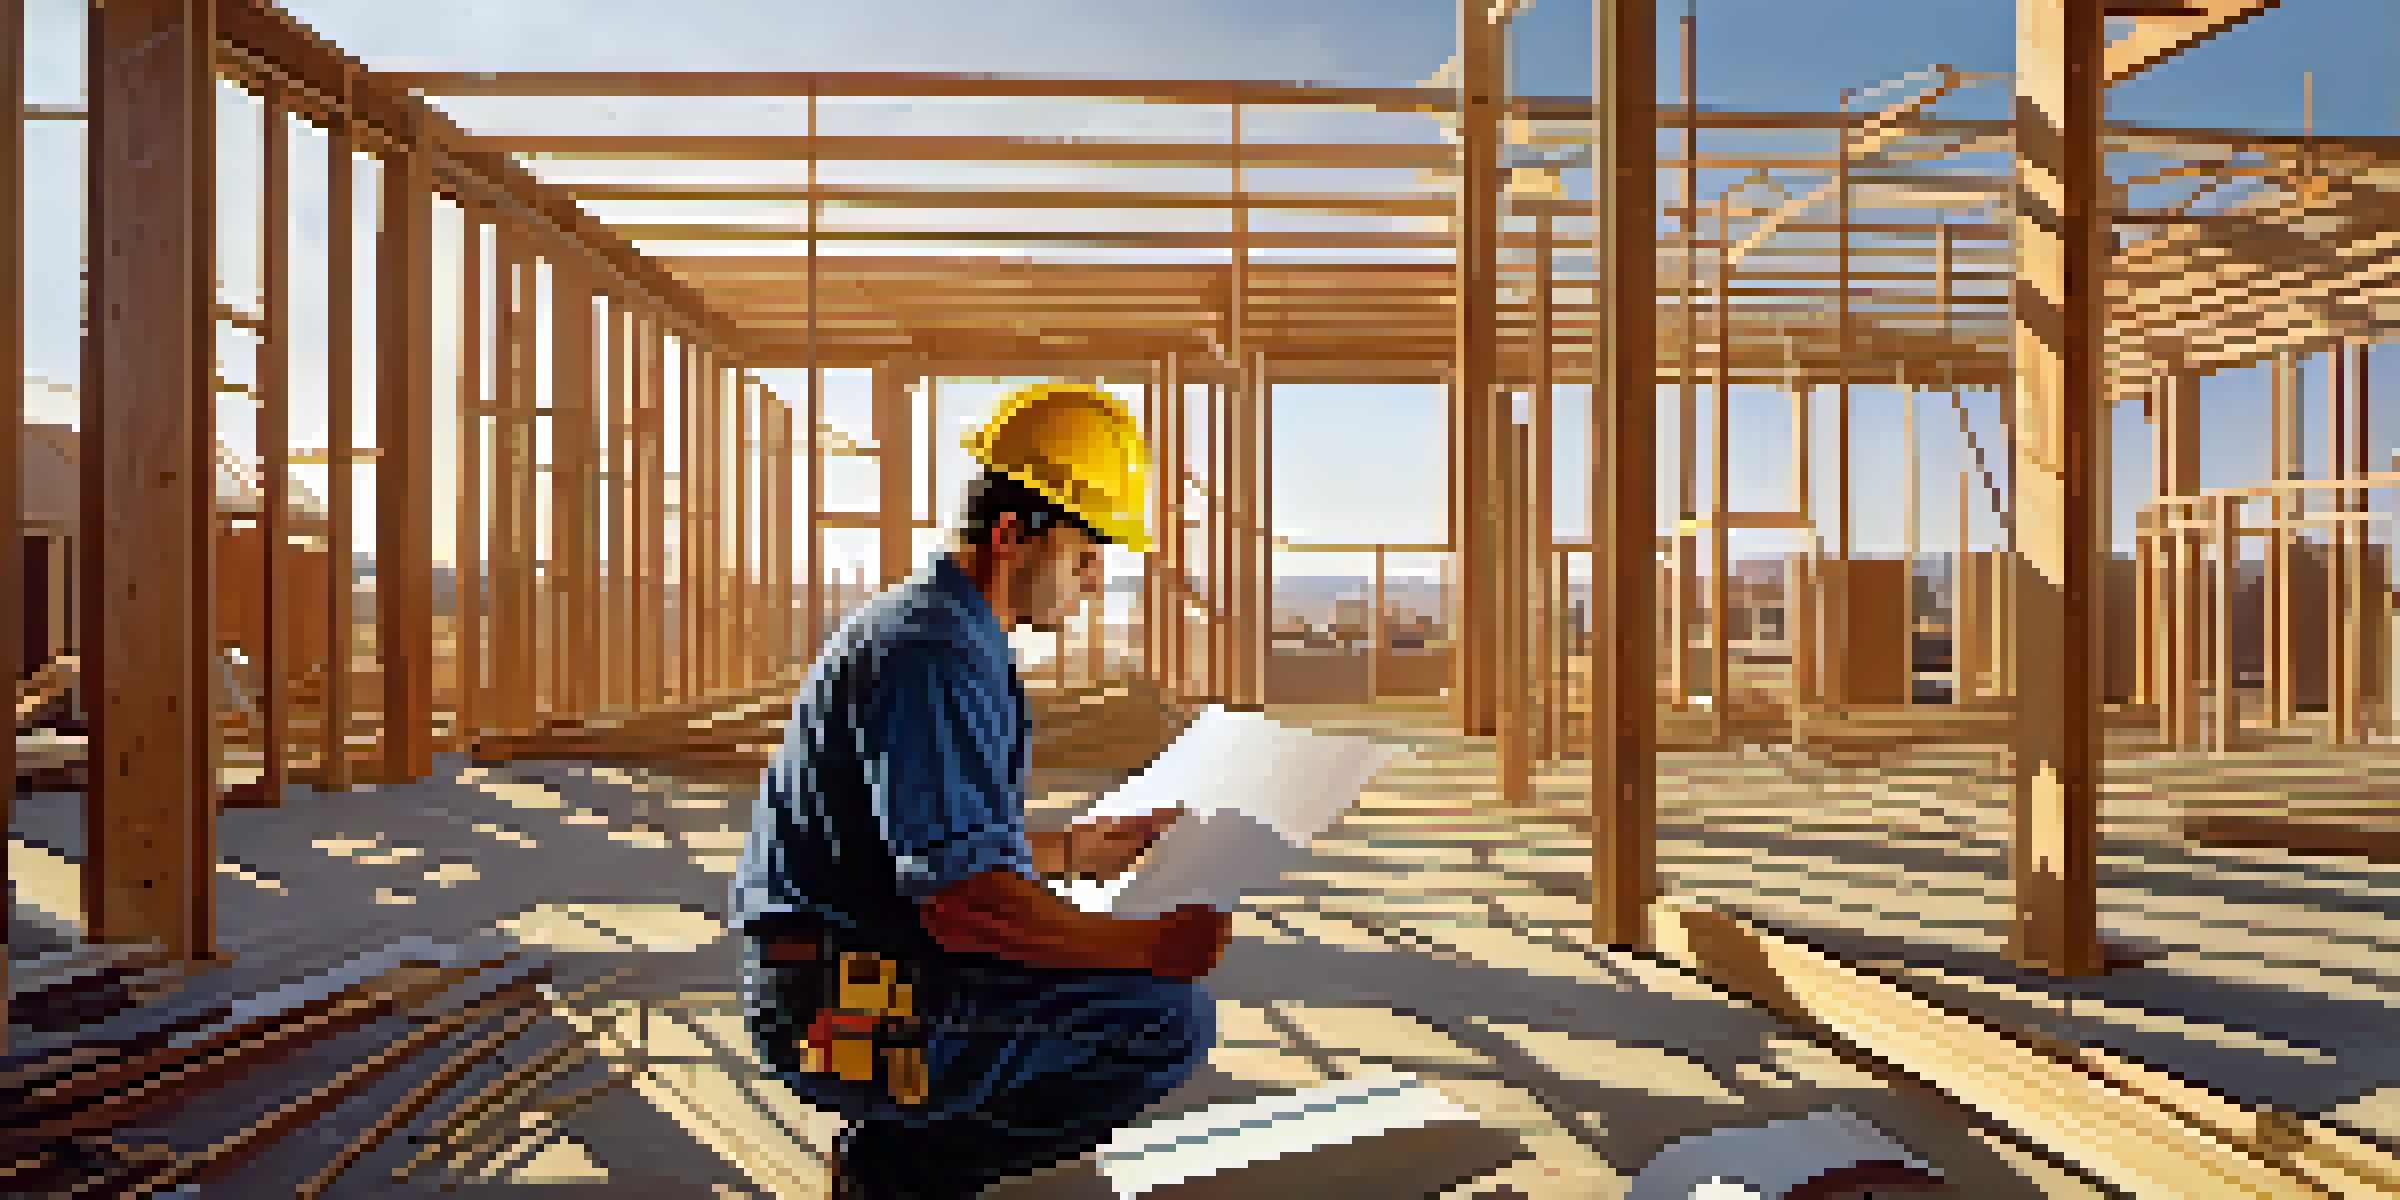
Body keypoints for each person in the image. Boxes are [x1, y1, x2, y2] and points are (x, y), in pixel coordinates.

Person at [729, 384, 1234, 1199]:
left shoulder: (936, 631)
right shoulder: (934, 655)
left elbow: (912, 843)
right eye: (1086, 554)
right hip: (837, 1007)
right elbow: (968, 907)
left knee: (1115, 983)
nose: (1097, 582)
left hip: (846, 967)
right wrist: (1149, 948)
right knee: (1162, 1018)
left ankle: (904, 1158)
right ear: (1013, 537)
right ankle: (899, 1173)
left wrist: (1072, 851)